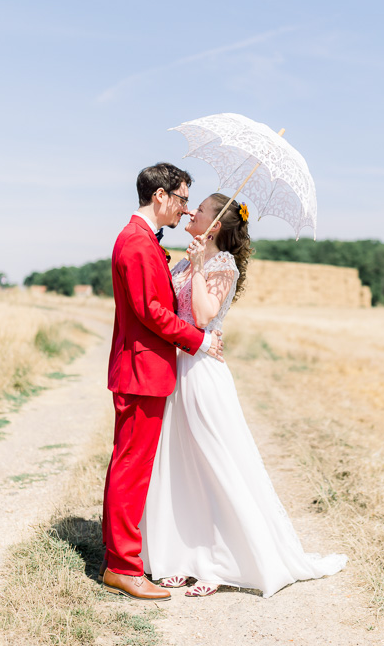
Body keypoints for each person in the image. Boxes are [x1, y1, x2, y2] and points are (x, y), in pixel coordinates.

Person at [140, 192, 347, 598]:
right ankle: (182, 556)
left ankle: (220, 562)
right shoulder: (186, 258)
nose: (190, 212)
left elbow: (200, 317)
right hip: (176, 368)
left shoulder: (222, 265)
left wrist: (197, 267)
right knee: (180, 463)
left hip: (201, 371)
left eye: (198, 210)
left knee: (214, 462)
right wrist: (182, 264)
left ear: (214, 225)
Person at [102, 164, 224, 602]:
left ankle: (121, 558)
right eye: (182, 198)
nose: (186, 207)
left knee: (130, 465)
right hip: (141, 370)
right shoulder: (136, 244)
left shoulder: (143, 241)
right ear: (160, 196)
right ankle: (123, 567)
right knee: (131, 469)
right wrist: (200, 340)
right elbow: (150, 311)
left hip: (144, 369)